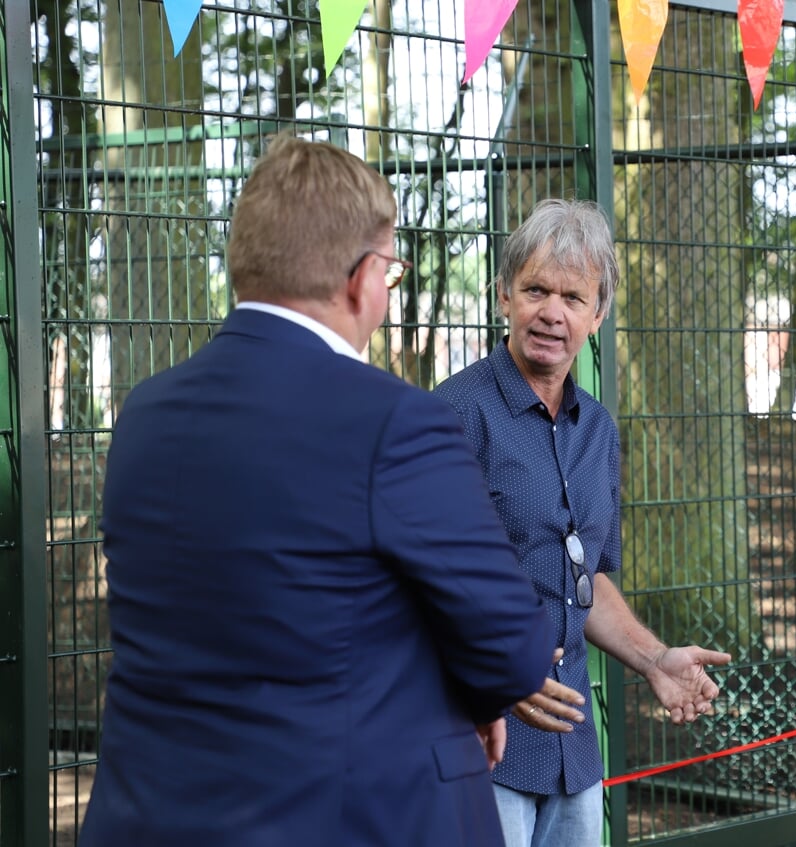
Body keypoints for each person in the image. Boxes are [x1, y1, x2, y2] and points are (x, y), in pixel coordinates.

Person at [79, 135, 555, 847]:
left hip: (149, 814)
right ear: (364, 277)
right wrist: (472, 693)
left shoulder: (145, 412)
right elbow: (512, 647)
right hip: (345, 818)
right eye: (391, 274)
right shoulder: (396, 420)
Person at [434, 198, 732, 847]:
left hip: (574, 757)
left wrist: (654, 657)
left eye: (572, 296)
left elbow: (584, 579)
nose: (551, 311)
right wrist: (493, 672)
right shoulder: (453, 414)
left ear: (597, 316)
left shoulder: (597, 430)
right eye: (536, 288)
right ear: (503, 295)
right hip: (482, 748)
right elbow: (421, 583)